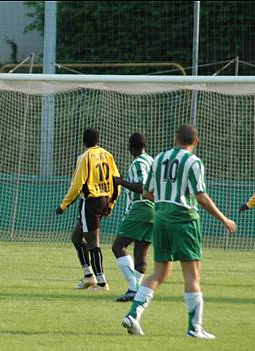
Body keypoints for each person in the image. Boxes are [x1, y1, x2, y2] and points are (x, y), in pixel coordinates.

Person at [122, 124, 237, 339]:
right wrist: (224, 219)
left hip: (161, 219)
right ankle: (195, 328)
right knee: (192, 275)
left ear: (175, 139)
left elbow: (147, 192)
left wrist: (166, 204)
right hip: (184, 220)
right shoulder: (193, 161)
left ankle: (133, 314)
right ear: (196, 141)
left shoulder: (159, 159)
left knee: (160, 272)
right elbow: (200, 196)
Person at [56, 128, 120, 291]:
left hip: (91, 201)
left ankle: (102, 282)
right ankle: (88, 276)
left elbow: (77, 185)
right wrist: (111, 203)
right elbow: (116, 180)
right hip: (104, 199)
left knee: (93, 243)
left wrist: (64, 205)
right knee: (77, 238)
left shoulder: (84, 157)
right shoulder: (107, 155)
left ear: (84, 141)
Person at [111, 133, 154, 302]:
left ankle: (133, 289)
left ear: (131, 147)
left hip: (141, 207)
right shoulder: (152, 161)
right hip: (156, 210)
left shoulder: (138, 163)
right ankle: (138, 293)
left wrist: (120, 182)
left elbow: (142, 186)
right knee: (140, 252)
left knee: (118, 246)